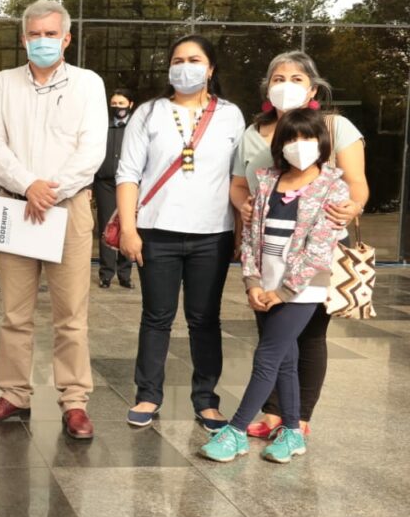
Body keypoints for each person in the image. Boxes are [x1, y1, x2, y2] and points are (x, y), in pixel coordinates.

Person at [0, 0, 107, 440]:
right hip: (16, 206)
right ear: (23, 38)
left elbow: (92, 150)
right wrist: (29, 184)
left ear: (67, 39)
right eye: (35, 33)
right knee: (15, 313)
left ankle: (74, 401)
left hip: (67, 209)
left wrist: (51, 190)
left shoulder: (88, 85)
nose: (43, 41)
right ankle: (14, 394)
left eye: (52, 34)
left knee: (71, 314)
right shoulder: (3, 84)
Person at [230, 51, 368, 437]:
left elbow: (356, 180)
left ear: (312, 86)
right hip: (269, 247)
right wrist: (245, 208)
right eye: (277, 77)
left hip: (314, 247)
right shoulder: (255, 132)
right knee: (275, 334)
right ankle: (277, 414)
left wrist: (351, 206)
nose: (285, 84)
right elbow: (241, 184)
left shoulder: (334, 126)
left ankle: (300, 417)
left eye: (295, 77)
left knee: (307, 334)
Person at [202, 109, 349, 463]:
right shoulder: (267, 180)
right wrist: (252, 281)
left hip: (303, 289)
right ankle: (293, 434)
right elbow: (251, 236)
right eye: (292, 138)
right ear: (280, 144)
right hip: (265, 284)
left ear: (322, 143)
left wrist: (283, 292)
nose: (300, 145)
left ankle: (236, 431)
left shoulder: (333, 186)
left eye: (308, 138)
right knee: (285, 359)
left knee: (267, 355)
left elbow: (318, 249)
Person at [116, 35, 246, 431]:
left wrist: (240, 232)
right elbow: (128, 174)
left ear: (210, 69)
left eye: (194, 59)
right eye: (177, 59)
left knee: (204, 318)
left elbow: (238, 178)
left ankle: (206, 400)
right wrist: (128, 228)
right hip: (157, 231)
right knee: (156, 317)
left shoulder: (230, 115)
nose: (184, 66)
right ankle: (148, 394)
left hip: (213, 233)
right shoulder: (149, 113)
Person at [95, 88, 136, 289]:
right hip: (105, 183)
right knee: (106, 227)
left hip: (129, 184)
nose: (117, 108)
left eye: (121, 104)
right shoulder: (102, 127)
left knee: (127, 226)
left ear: (130, 104)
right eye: (114, 104)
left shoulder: (136, 128)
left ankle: (125, 274)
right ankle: (106, 274)